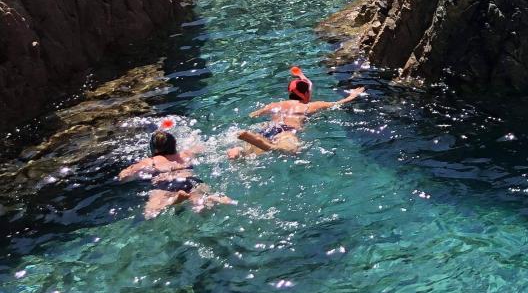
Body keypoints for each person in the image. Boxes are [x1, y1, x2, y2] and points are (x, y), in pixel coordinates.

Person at [230, 67, 364, 158]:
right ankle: (269, 146)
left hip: (269, 128)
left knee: (249, 153)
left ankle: (239, 151)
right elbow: (338, 104)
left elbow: (254, 114)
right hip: (287, 131)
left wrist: (299, 74)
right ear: (306, 93)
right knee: (292, 150)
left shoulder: (276, 104)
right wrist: (352, 96)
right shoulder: (310, 106)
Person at [118, 120, 235, 217]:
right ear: (174, 145)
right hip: (192, 181)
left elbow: (124, 177)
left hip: (166, 185)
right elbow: (205, 146)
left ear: (154, 149)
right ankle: (211, 199)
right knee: (202, 206)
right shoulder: (186, 154)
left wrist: (125, 173)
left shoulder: (150, 161)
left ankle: (175, 201)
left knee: (150, 214)